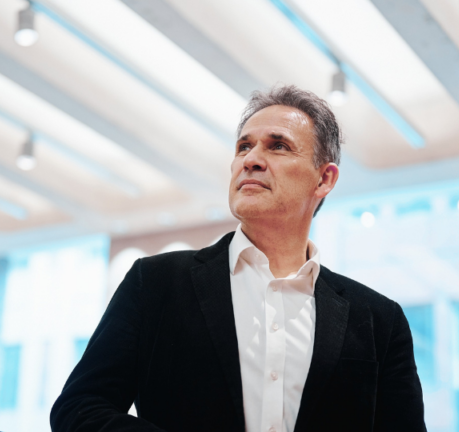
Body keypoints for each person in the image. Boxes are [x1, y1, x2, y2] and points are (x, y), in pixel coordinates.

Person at [50, 85, 426, 432]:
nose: (252, 159)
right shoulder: (156, 283)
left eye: (278, 146)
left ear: (324, 179)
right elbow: (80, 408)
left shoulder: (379, 320)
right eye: (244, 147)